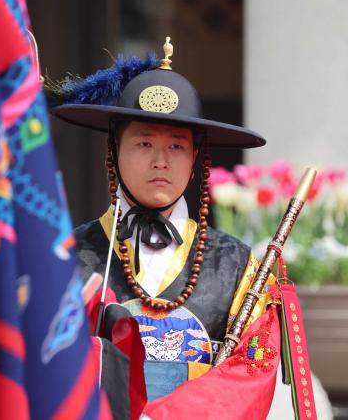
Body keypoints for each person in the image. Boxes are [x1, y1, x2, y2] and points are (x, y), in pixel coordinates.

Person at [49, 38, 281, 418]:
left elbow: (251, 372)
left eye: (176, 147)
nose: (160, 161)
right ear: (114, 152)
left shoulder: (238, 267)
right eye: (143, 144)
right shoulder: (68, 257)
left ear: (195, 158)